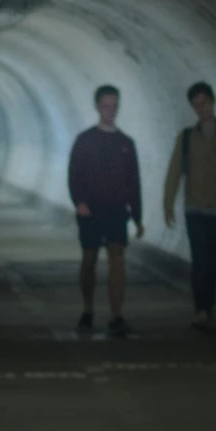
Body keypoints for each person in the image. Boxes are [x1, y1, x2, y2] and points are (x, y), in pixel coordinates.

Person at [161, 80, 216, 331]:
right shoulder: (187, 138)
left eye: (205, 103)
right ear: (193, 107)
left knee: (213, 261)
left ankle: (208, 306)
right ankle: (200, 308)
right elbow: (174, 171)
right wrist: (168, 204)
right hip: (196, 209)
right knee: (199, 259)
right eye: (197, 105)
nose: (202, 108)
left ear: (213, 103)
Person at [66, 84, 144, 336]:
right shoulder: (85, 140)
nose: (110, 110)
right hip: (90, 209)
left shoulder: (125, 143)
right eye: (106, 105)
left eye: (114, 106)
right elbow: (74, 174)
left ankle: (116, 315)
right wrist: (79, 201)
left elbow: (133, 182)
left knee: (117, 259)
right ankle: (87, 309)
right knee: (89, 260)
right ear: (98, 107)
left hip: (115, 210)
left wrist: (137, 216)